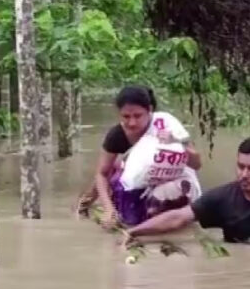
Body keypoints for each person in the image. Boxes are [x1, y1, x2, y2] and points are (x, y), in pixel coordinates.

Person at [126, 137, 250, 245]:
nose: (244, 174)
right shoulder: (222, 197)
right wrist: (133, 232)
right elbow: (178, 218)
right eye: (240, 167)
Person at [75, 85, 202, 229]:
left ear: (150, 110)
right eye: (126, 117)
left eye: (138, 116)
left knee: (171, 199)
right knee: (116, 171)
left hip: (171, 184)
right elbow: (101, 173)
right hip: (137, 184)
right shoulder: (116, 136)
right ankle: (87, 205)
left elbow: (196, 164)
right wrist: (108, 209)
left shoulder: (167, 125)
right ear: (119, 114)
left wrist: (177, 142)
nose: (132, 123)